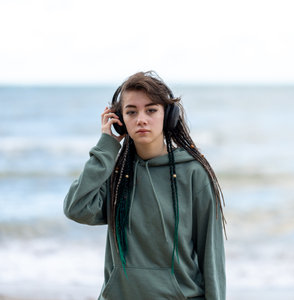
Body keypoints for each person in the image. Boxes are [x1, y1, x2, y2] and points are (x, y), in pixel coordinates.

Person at [64, 71, 226, 300]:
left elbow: (212, 256)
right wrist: (106, 146)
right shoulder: (116, 174)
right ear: (120, 120)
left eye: (151, 110)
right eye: (131, 112)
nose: (141, 119)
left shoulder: (194, 174)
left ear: (168, 116)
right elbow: (75, 208)